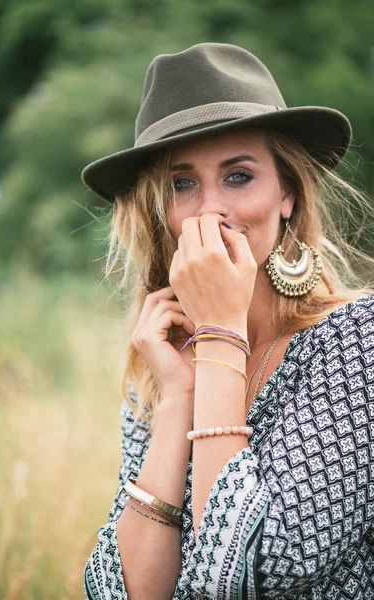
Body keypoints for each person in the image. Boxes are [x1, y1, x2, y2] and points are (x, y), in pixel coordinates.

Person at [81, 43, 374, 599]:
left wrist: (220, 333)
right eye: (181, 183)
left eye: (239, 176)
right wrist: (176, 400)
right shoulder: (160, 372)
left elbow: (251, 576)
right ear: (158, 210)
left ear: (286, 193)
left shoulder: (357, 342)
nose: (210, 208)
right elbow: (123, 592)